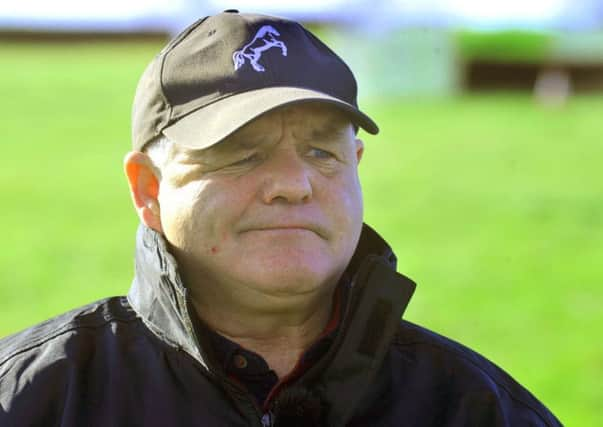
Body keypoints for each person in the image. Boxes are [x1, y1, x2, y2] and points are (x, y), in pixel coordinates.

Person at [0, 10, 561, 427]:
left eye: (322, 152)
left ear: (356, 167)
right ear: (148, 188)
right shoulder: (36, 399)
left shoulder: (474, 408)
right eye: (241, 152)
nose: (294, 184)